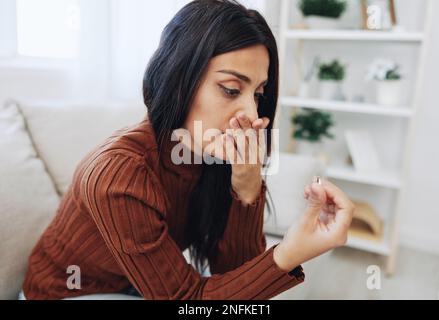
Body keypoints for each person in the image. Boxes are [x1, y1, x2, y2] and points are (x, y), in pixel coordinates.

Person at [21, 0, 354, 300]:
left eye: (257, 94)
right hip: (64, 294)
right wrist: (289, 253)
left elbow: (237, 277)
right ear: (179, 78)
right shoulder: (118, 173)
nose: (251, 115)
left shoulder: (210, 155)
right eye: (230, 89)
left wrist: (247, 186)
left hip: (132, 285)